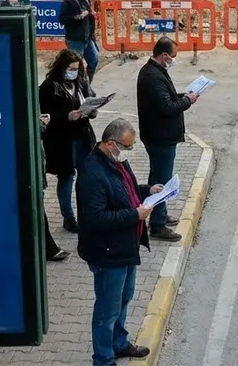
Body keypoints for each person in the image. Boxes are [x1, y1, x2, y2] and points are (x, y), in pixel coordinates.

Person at [77, 119, 156, 364]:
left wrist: (147, 191)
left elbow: (127, 192)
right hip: (107, 253)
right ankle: (103, 358)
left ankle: (119, 343)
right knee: (106, 310)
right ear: (111, 144)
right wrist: (135, 215)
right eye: (126, 147)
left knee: (124, 298)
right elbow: (95, 218)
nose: (128, 152)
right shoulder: (92, 173)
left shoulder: (116, 163)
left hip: (125, 247)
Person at [136, 37, 198, 242]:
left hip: (158, 134)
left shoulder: (156, 72)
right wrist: (186, 102)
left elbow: (166, 98)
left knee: (158, 177)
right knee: (161, 180)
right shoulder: (152, 76)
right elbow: (166, 108)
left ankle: (158, 212)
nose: (173, 60)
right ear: (163, 55)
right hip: (160, 136)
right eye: (172, 57)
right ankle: (158, 224)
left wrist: (181, 96)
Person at [39, 49, 96, 233]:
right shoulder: (50, 87)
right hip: (63, 140)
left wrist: (92, 109)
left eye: (77, 68)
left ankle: (87, 212)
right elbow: (44, 116)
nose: (74, 72)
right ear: (62, 68)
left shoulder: (80, 82)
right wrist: (66, 116)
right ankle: (68, 216)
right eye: (71, 68)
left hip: (82, 136)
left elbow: (89, 98)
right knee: (66, 177)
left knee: (86, 175)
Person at [39, 112, 71, 262]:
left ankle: (48, 247)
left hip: (36, 169)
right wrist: (42, 124)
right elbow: (27, 127)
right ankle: (48, 248)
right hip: (30, 171)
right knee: (37, 209)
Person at [60, 0, 100, 82]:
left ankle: (87, 86)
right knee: (74, 67)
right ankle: (75, 88)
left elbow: (90, 17)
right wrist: (77, 17)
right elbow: (62, 19)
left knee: (93, 61)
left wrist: (92, 32)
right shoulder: (68, 2)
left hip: (87, 38)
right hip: (75, 40)